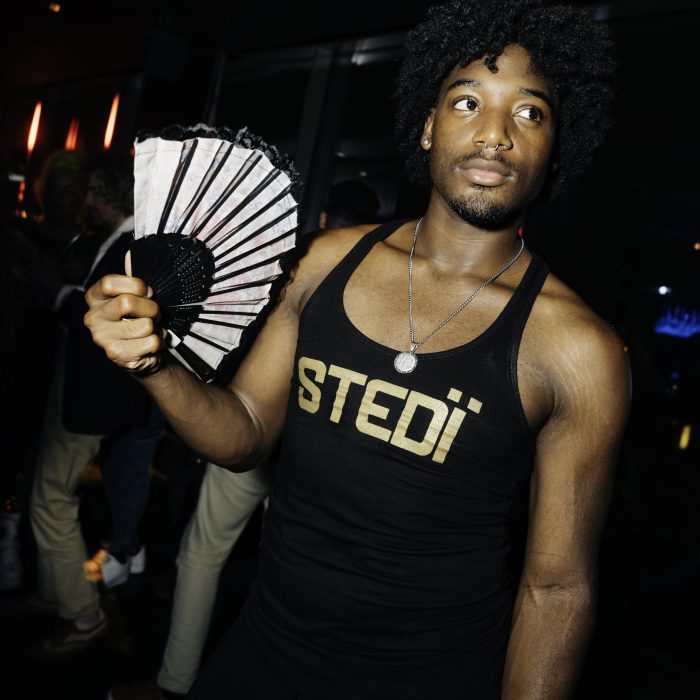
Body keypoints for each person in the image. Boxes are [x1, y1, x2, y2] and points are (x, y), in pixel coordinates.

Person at [84, 1, 631, 697]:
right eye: (467, 102)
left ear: (554, 147)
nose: (494, 134)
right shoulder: (323, 262)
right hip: (263, 652)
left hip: (433, 679)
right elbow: (244, 433)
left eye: (529, 113)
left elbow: (556, 589)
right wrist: (155, 363)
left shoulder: (579, 350)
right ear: (428, 126)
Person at [107, 177, 383, 700]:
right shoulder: (384, 288)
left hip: (258, 435)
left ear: (326, 219)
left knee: (204, 553)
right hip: (314, 453)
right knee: (292, 571)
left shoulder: (298, 266)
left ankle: (175, 683)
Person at [24, 151, 162, 658]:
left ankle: (83, 614)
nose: (84, 201)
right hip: (82, 393)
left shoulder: (129, 247)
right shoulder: (121, 242)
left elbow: (99, 334)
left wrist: (59, 292)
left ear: (108, 195)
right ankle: (55, 590)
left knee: (50, 500)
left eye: (91, 192)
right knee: (54, 495)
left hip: (91, 398)